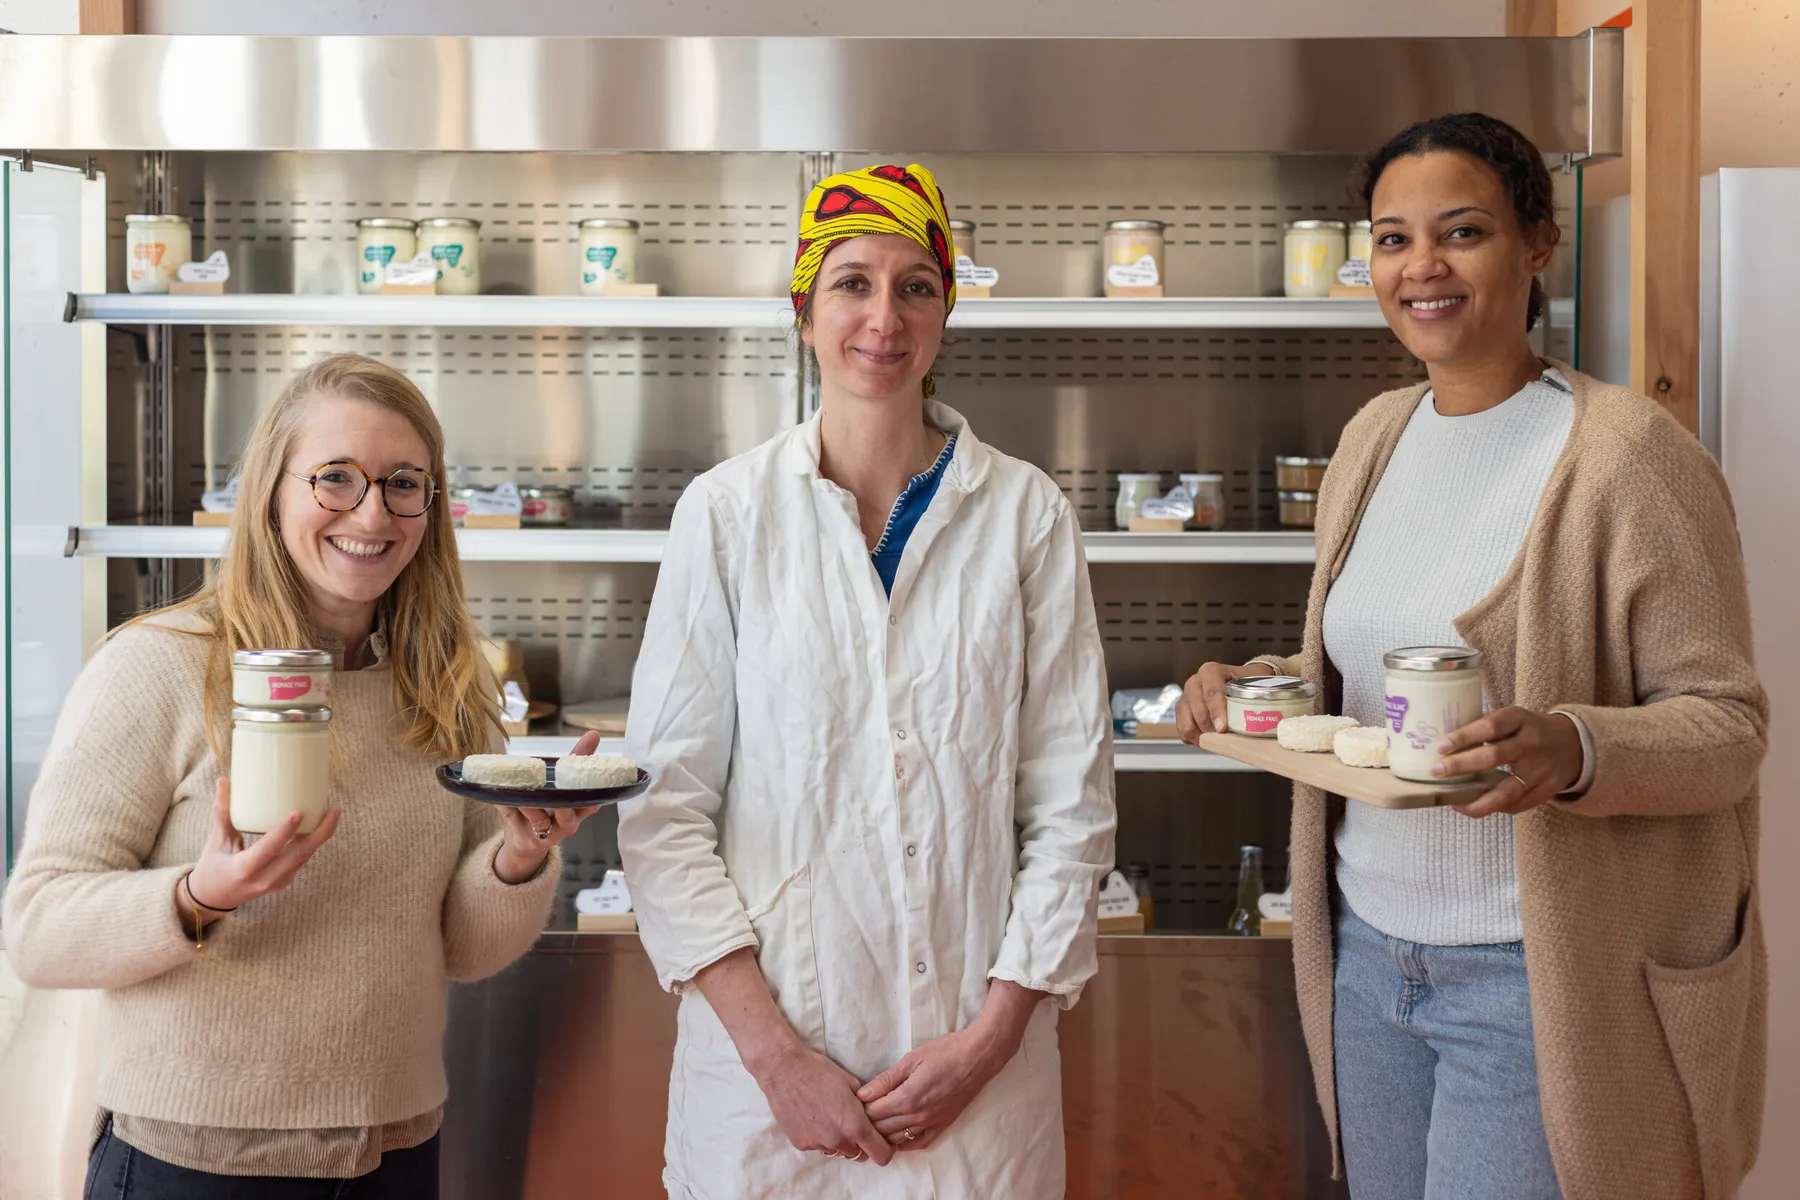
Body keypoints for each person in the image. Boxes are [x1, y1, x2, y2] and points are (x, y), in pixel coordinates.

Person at [1177, 113, 1767, 1200]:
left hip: (1536, 977)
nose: (1423, 268)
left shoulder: (1627, 457)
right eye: (1392, 240)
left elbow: (1729, 728)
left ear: (1537, 243)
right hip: (1367, 957)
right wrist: (1257, 689)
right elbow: (1362, 675)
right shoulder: (1375, 437)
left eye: (1462, 232)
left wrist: (1576, 747)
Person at [617, 163, 1117, 1198]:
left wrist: (989, 1041)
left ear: (946, 313)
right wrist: (778, 1062)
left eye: (915, 286)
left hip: (979, 1086)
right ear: (804, 312)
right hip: (768, 1095)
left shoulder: (1027, 516)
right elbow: (665, 813)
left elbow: (1070, 808)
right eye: (852, 283)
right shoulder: (726, 514)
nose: (884, 318)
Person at [3, 353, 601, 1197]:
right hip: (197, 1160)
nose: (373, 512)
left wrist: (518, 856)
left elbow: (464, 950)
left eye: (403, 483)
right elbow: (39, 928)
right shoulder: (164, 667)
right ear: (271, 491)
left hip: (395, 1150)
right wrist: (199, 896)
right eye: (335, 478)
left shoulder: (444, 684)